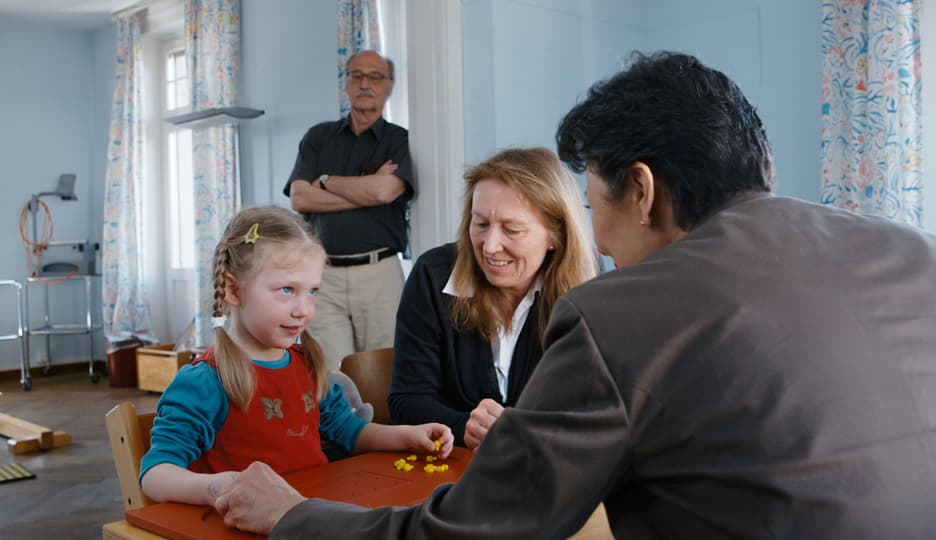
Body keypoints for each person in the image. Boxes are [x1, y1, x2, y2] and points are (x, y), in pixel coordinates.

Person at [213, 51, 936, 539]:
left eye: (594, 205)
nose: (601, 238)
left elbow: (471, 534)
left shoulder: (623, 313)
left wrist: (295, 517)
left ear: (640, 188)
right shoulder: (933, 257)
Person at [139, 206, 452, 507]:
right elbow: (155, 475)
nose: (303, 309)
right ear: (233, 291)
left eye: (312, 291)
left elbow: (349, 432)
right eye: (287, 290)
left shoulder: (308, 365)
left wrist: (407, 436)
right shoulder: (204, 382)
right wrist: (217, 487)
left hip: (310, 519)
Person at [388, 147, 597, 448]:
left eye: (511, 230)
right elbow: (407, 401)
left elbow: (591, 408)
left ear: (555, 236)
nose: (489, 247)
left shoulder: (584, 286)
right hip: (453, 473)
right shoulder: (432, 275)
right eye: (481, 224)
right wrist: (465, 428)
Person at [284, 49, 414, 370]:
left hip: (379, 273)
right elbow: (300, 197)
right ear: (347, 83)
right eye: (357, 75)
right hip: (322, 275)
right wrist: (366, 190)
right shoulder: (318, 137)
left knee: (385, 370)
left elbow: (386, 191)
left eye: (375, 76)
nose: (365, 83)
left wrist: (325, 182)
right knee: (331, 374)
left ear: (390, 86)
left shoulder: (401, 140)